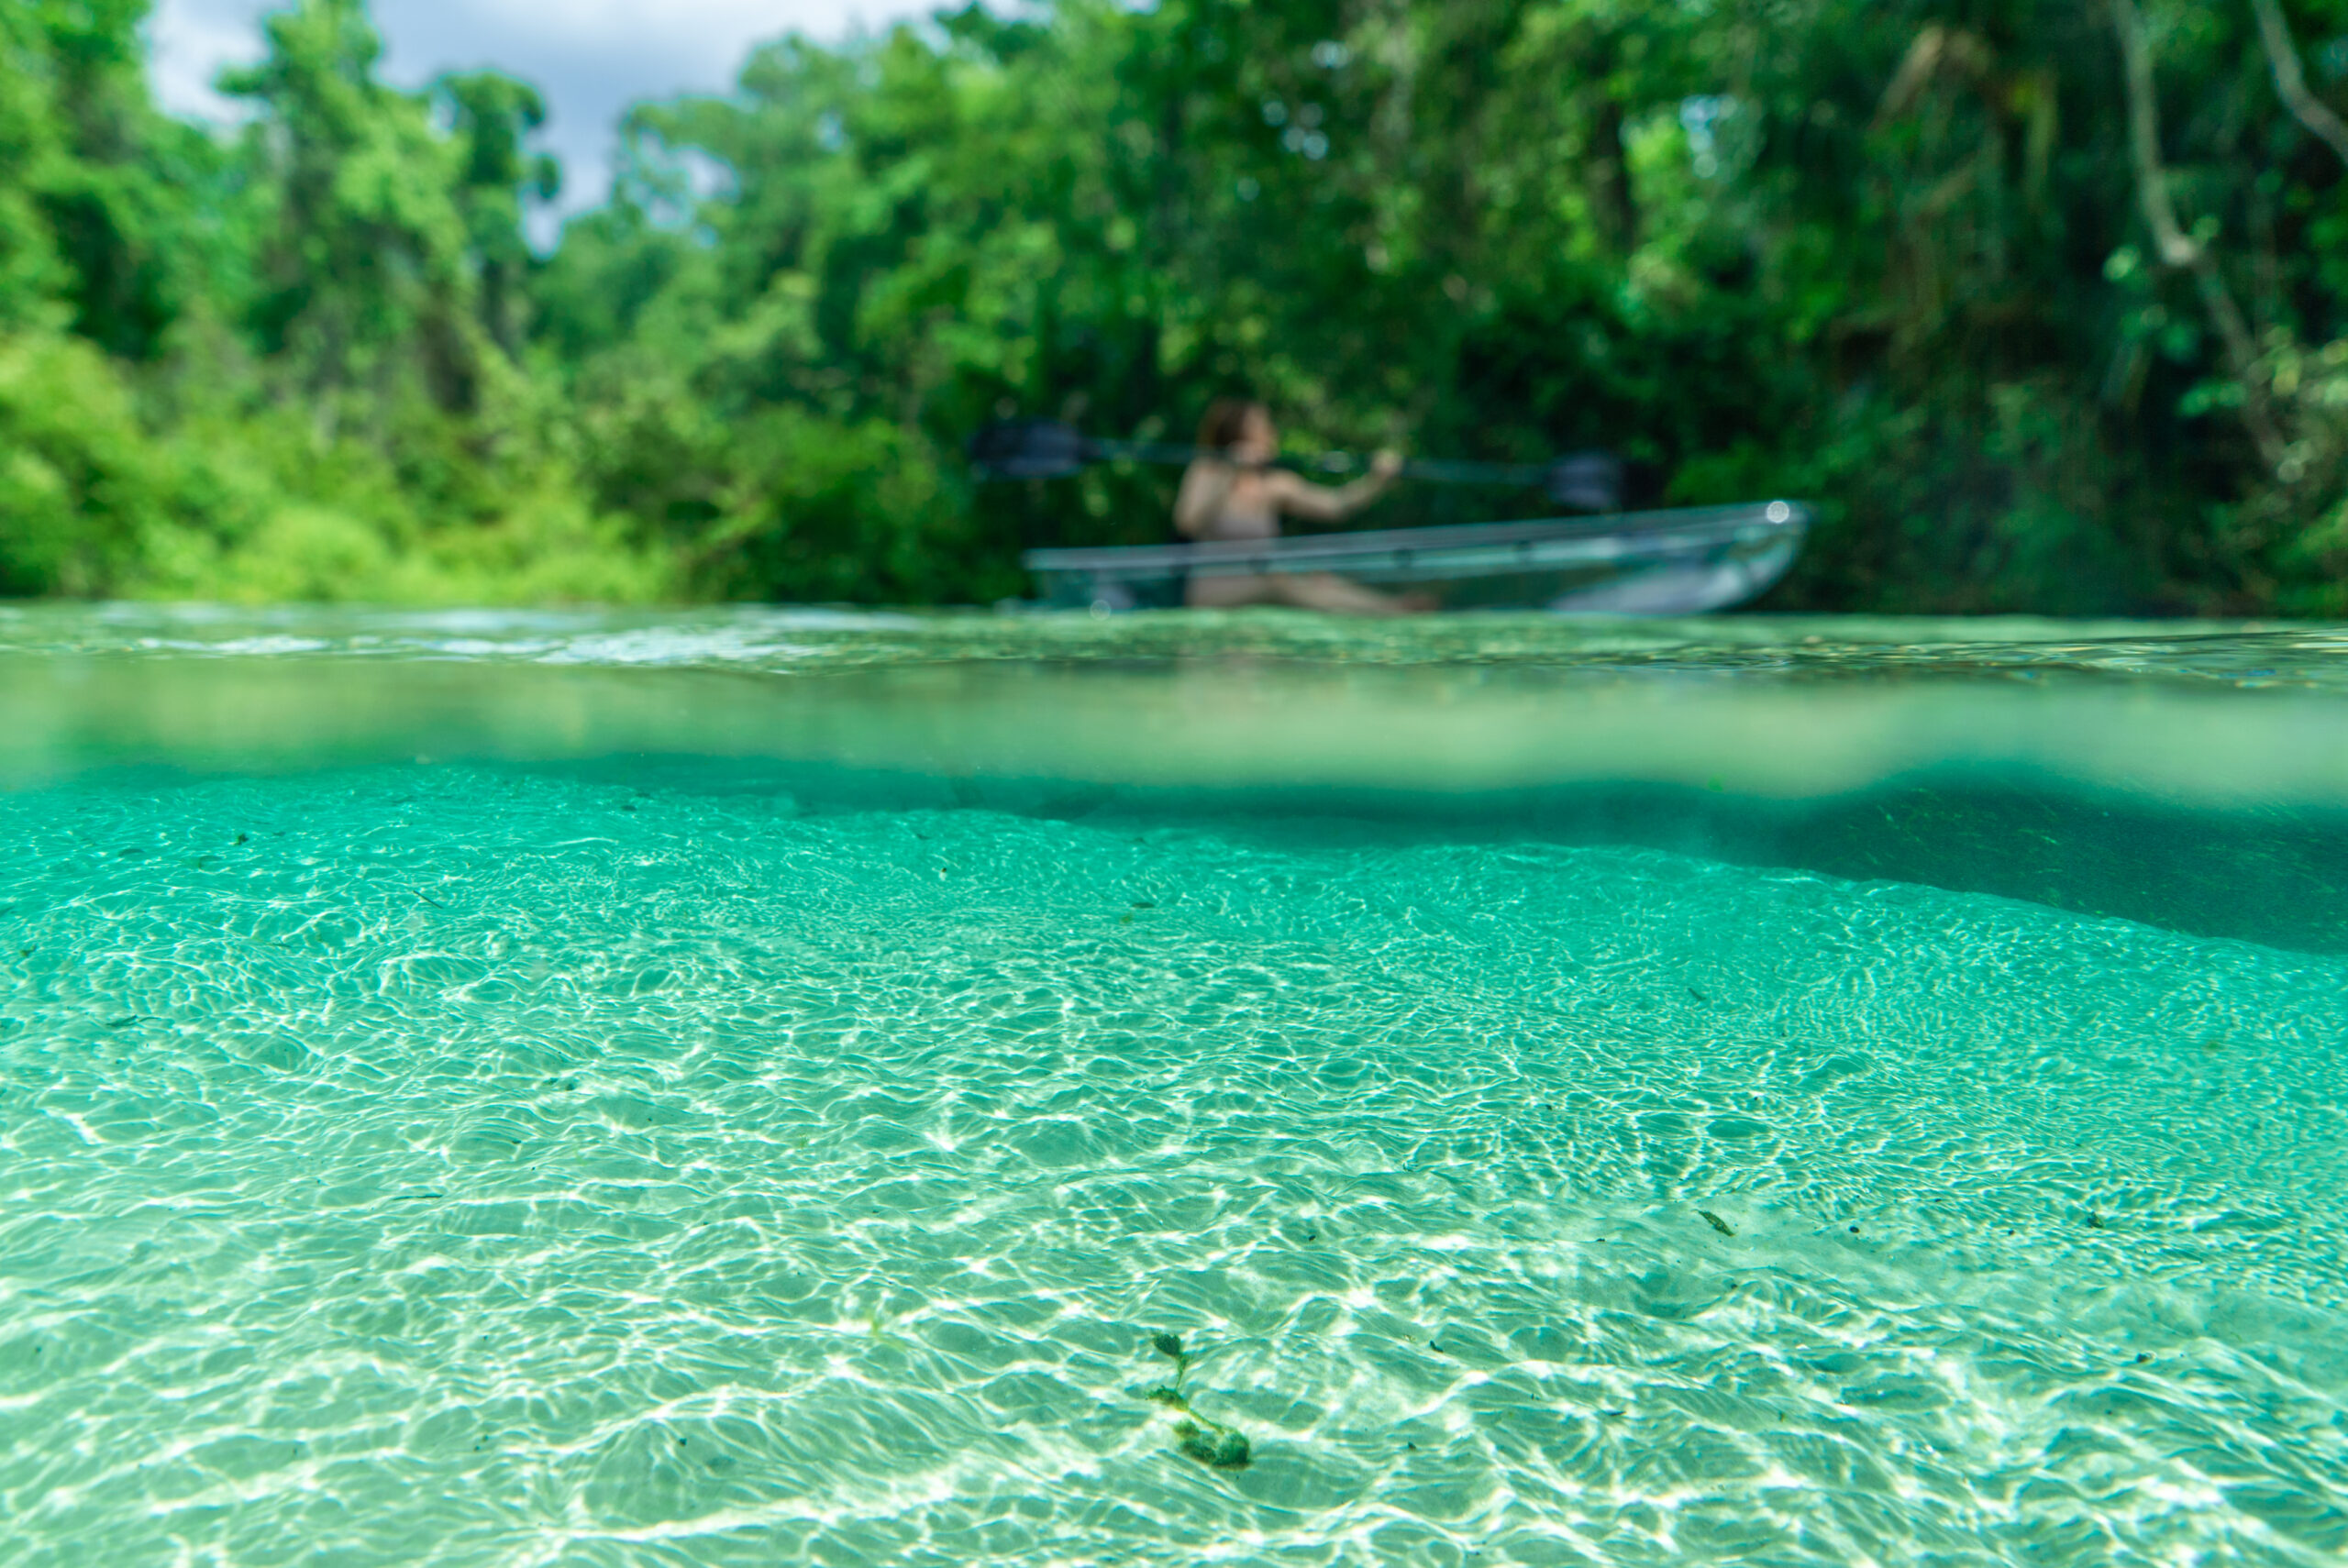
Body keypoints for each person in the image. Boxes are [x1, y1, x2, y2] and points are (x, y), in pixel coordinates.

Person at [1172, 399, 1430, 613]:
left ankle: (1392, 608)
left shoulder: (1274, 485)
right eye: (1262, 427)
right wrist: (1230, 469)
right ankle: (1392, 610)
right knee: (1281, 581)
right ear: (1238, 435)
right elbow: (1187, 522)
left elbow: (1336, 505)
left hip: (1264, 582)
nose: (1271, 433)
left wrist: (1377, 480)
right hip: (1214, 593)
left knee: (1321, 580)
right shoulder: (1207, 471)